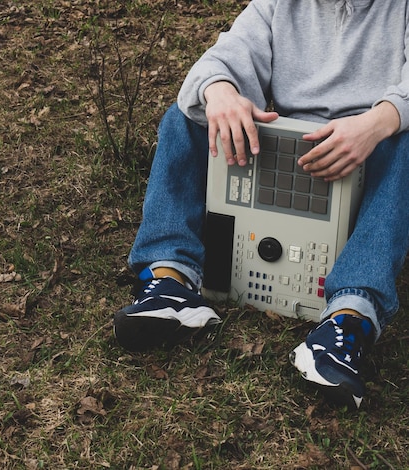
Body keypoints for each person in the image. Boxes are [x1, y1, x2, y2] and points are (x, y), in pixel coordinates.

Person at [112, 0, 409, 410]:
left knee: (407, 143)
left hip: (373, 155)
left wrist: (378, 122)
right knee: (187, 114)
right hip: (287, 149)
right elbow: (226, 57)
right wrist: (220, 91)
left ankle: (347, 322)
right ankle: (170, 280)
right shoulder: (279, 5)